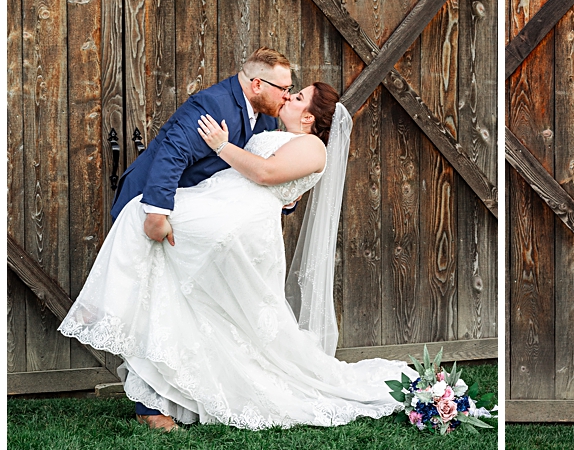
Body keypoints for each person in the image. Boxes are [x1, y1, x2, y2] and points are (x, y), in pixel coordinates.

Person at [60, 71, 413, 430]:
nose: (289, 97)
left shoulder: (313, 146)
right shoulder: (271, 133)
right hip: (223, 206)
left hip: (236, 222)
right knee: (191, 303)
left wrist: (221, 146)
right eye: (289, 91)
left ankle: (104, 310)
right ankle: (160, 386)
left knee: (142, 215)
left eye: (298, 96)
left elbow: (263, 173)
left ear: (308, 117)